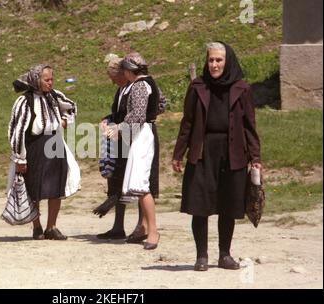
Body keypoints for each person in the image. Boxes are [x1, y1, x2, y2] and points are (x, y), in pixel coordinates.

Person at [172, 42, 262, 271]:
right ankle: (201, 256)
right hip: (203, 152)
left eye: (219, 60)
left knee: (227, 205)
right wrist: (179, 153)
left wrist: (255, 156)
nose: (214, 65)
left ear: (227, 61)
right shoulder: (197, 87)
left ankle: (224, 255)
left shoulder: (242, 88)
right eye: (211, 60)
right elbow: (188, 122)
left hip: (233, 153)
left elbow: (249, 125)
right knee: (199, 205)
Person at [8, 64, 80, 240]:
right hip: (35, 146)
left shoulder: (54, 96)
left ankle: (51, 227)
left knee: (56, 185)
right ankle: (37, 226)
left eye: (51, 79)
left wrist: (63, 121)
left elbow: (70, 107)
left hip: (55, 144)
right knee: (34, 187)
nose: (50, 83)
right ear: (36, 80)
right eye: (46, 80)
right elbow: (16, 130)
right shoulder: (24, 102)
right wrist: (20, 158)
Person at [106, 52, 162, 250]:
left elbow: (137, 115)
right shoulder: (151, 82)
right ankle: (145, 227)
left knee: (140, 184)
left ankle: (152, 231)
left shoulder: (139, 86)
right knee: (140, 184)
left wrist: (118, 128)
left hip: (141, 134)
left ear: (130, 71)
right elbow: (159, 105)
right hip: (145, 131)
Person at [94, 57, 145, 242]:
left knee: (138, 181)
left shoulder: (138, 87)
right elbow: (118, 114)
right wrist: (108, 119)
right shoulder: (121, 90)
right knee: (118, 180)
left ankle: (142, 225)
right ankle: (118, 226)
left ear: (122, 73)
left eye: (113, 77)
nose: (112, 81)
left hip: (135, 138)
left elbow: (153, 107)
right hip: (120, 139)